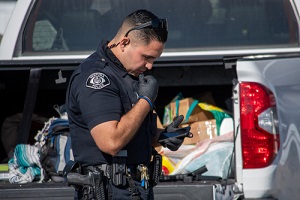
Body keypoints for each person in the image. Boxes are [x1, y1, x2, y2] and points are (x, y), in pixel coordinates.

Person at [65, 9, 189, 200]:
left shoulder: (130, 76)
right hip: (107, 192)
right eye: (146, 57)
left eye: (154, 59)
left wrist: (161, 136)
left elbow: (131, 131)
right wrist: (146, 101)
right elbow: (112, 142)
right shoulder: (96, 79)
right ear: (124, 43)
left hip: (136, 189)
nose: (150, 66)